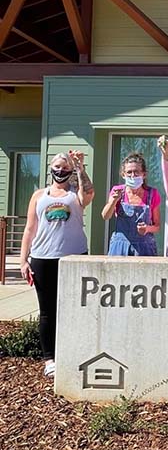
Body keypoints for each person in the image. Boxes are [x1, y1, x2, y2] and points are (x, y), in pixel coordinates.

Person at [19, 151, 94, 377]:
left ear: (71, 171)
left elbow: (89, 193)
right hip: (43, 258)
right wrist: (23, 259)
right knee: (47, 312)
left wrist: (80, 166)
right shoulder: (39, 196)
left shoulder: (75, 195)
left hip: (73, 259)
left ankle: (73, 352)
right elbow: (30, 228)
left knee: (74, 309)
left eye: (65, 167)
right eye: (57, 166)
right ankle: (49, 359)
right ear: (50, 168)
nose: (60, 170)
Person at [101, 153, 161, 256]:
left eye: (136, 172)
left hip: (145, 247)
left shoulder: (152, 194)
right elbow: (105, 216)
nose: (133, 176)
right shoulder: (117, 191)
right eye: (129, 172)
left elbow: (157, 226)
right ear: (123, 174)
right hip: (120, 246)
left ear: (144, 174)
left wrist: (147, 228)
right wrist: (114, 201)